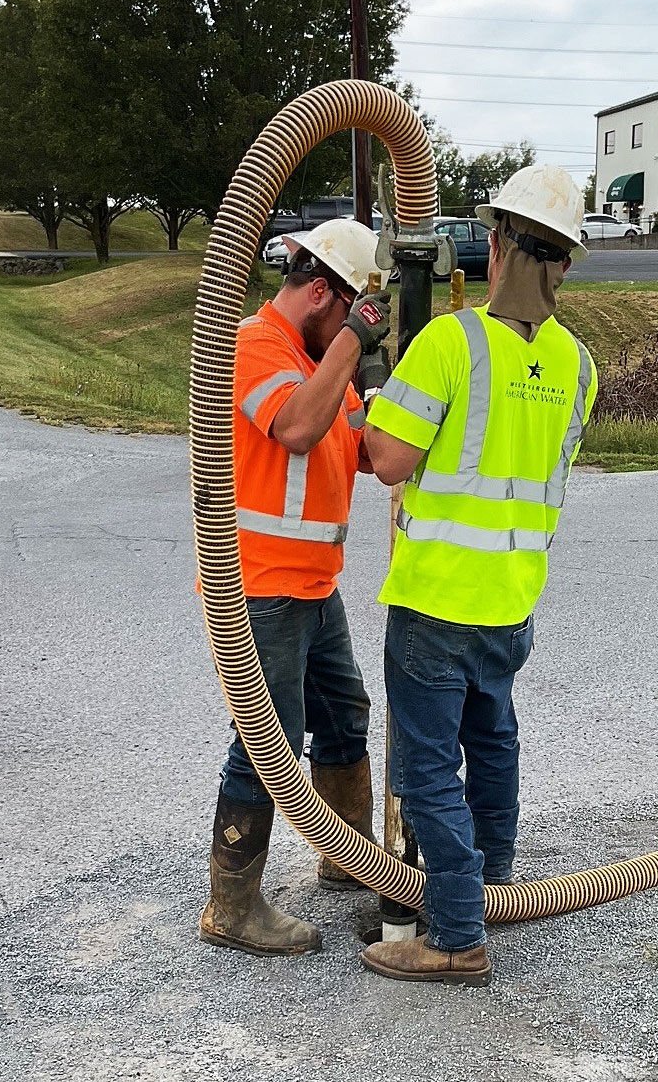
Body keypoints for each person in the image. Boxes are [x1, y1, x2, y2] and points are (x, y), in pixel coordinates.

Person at [358, 165, 597, 986]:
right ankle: (490, 884)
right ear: (563, 261)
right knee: (492, 743)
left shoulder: (450, 342)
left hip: (434, 601)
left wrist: (374, 402)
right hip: (511, 602)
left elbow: (389, 459)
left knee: (427, 768)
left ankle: (456, 933)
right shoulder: (579, 367)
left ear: (494, 245)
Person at [199, 217, 393, 957]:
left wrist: (393, 392)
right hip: (261, 588)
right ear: (321, 292)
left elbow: (367, 454)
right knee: (265, 743)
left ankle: (349, 858)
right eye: (348, 311)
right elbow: (297, 430)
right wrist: (351, 344)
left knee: (344, 718)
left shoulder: (322, 357)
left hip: (313, 585)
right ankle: (231, 906)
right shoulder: (254, 346)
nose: (352, 330)